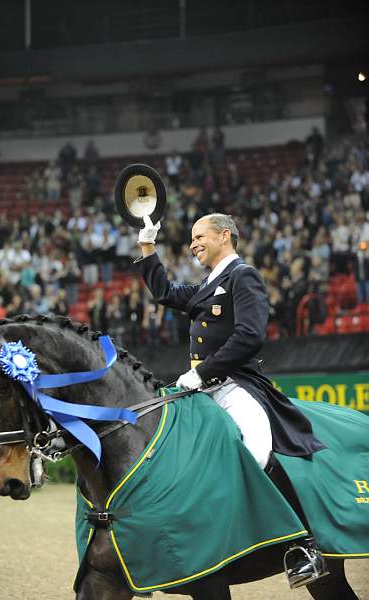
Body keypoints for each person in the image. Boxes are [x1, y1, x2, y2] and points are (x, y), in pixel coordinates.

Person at [136, 213, 328, 589]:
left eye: (198, 236)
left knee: (255, 453)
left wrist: (203, 370)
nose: (192, 244)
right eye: (191, 238)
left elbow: (249, 336)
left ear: (225, 235)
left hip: (237, 385)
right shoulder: (207, 285)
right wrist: (147, 246)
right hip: (202, 389)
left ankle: (302, 545)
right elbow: (163, 292)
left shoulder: (243, 276)